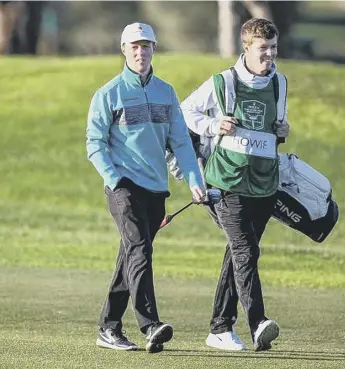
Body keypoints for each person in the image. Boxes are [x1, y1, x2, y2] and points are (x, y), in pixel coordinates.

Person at [86, 22, 206, 353]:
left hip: (156, 189)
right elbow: (95, 144)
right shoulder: (108, 93)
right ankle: (150, 324)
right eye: (134, 47)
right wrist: (114, 178)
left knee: (131, 254)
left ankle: (108, 327)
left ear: (154, 49)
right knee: (140, 250)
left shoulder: (166, 92)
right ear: (124, 50)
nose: (140, 52)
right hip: (123, 187)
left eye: (146, 46)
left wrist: (195, 181)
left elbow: (180, 142)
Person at [180, 18, 290, 352]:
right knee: (245, 250)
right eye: (262, 49)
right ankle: (258, 323)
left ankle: (219, 328)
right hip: (225, 183)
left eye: (273, 48)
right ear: (246, 48)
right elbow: (185, 112)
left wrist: (282, 132)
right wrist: (214, 125)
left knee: (238, 252)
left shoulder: (280, 83)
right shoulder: (223, 82)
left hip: (265, 185)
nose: (269, 55)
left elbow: (273, 130)